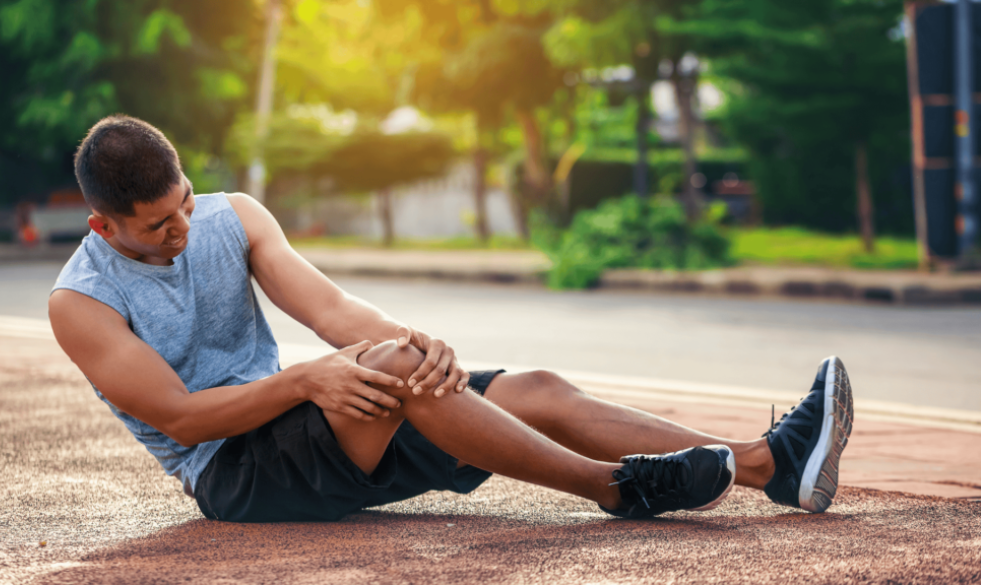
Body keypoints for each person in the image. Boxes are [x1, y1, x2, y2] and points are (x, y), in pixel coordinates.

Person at [49, 115, 854, 523]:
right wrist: (306, 380)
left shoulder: (236, 216)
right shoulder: (80, 301)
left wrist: (413, 340)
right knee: (391, 371)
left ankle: (766, 466)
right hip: (237, 473)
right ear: (105, 225)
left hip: (321, 420)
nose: (183, 229)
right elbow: (183, 420)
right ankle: (614, 488)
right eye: (159, 225)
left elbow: (331, 310)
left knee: (527, 385)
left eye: (185, 203)